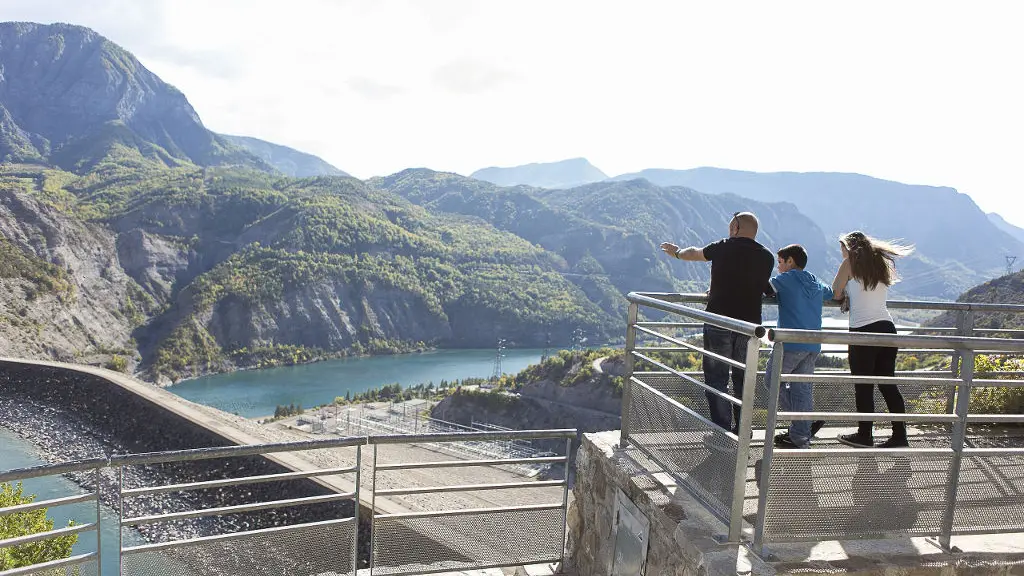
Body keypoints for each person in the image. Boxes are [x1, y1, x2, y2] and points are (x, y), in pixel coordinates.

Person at [660, 212, 774, 433]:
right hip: (750, 327)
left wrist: (677, 253)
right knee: (744, 379)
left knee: (716, 379)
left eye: (730, 227)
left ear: (735, 228)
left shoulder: (723, 247)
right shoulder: (767, 257)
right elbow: (756, 283)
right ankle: (743, 430)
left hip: (719, 320)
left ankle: (722, 432)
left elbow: (696, 253)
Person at [831, 231, 915, 448]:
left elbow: (835, 291)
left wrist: (847, 295)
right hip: (887, 328)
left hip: (863, 330)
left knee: (864, 385)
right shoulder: (879, 263)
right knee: (888, 384)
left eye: (842, 248)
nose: (841, 252)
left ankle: (865, 435)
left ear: (849, 247)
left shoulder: (849, 263)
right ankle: (899, 436)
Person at [765, 244, 834, 448]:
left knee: (772, 381)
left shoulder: (787, 278)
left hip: (791, 343)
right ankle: (800, 435)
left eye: (780, 262)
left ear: (790, 261)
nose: (778, 268)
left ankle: (803, 424)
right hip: (813, 344)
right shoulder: (814, 280)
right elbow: (831, 294)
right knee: (801, 389)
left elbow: (766, 288)